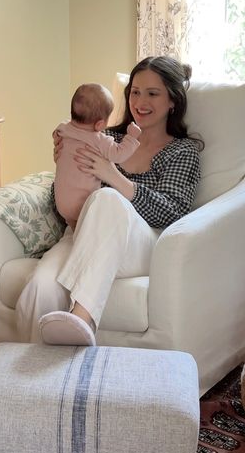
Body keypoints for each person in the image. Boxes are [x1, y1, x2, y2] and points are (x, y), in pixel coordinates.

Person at [15, 55, 203, 346]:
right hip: (81, 232)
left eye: (153, 94)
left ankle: (82, 317)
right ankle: (34, 384)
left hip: (140, 243)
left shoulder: (182, 151)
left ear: (172, 102)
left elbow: (172, 212)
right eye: (135, 92)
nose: (140, 101)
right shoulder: (102, 136)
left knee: (107, 198)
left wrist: (113, 176)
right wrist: (64, 168)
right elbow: (60, 202)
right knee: (39, 289)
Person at [54, 83, 141, 230]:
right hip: (83, 205)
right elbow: (119, 154)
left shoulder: (63, 129)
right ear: (100, 124)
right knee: (85, 228)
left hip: (61, 204)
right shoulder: (100, 141)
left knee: (77, 230)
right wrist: (132, 137)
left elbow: (56, 132)